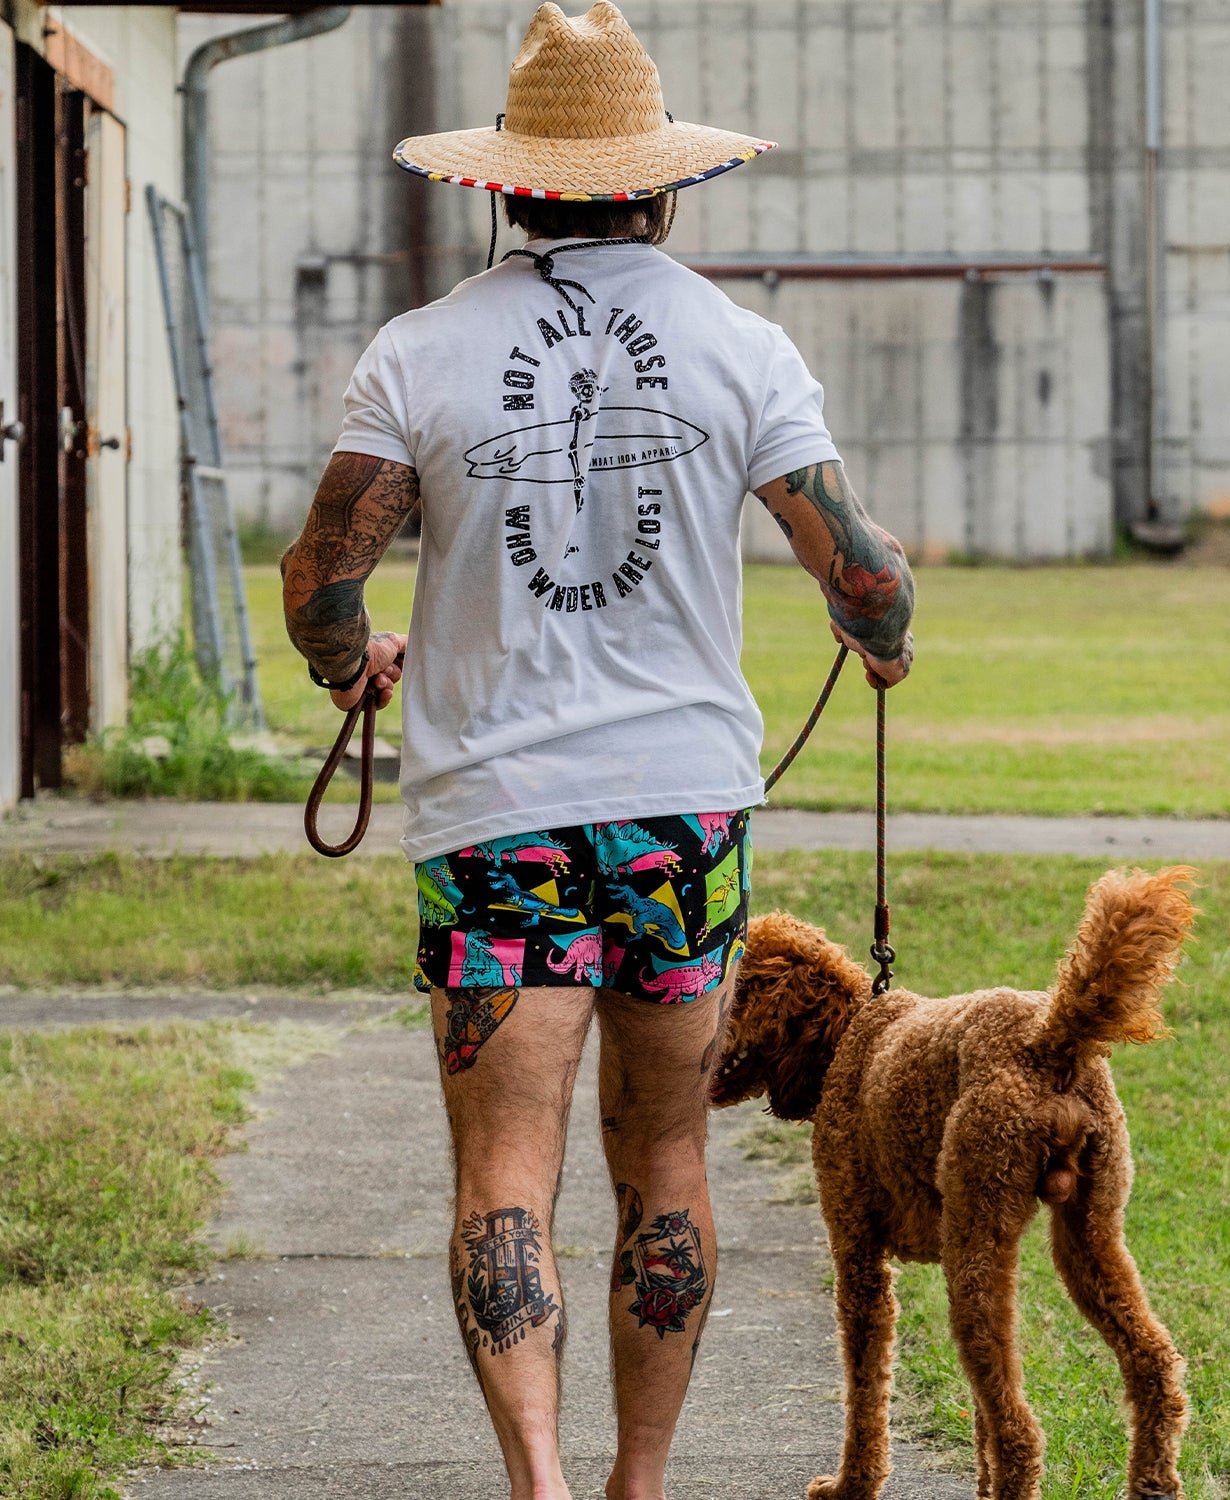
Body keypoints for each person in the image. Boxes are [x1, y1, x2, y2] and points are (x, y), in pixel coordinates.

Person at [279, 5, 914, 1499]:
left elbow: (321, 575)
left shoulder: (420, 351)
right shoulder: (741, 348)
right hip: (680, 821)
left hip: (493, 821)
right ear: (663, 186)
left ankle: (543, 1488)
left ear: (506, 184)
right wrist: (879, 639)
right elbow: (868, 575)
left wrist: (347, 664)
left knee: (507, 1178)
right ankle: (640, 1485)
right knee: (667, 1167)